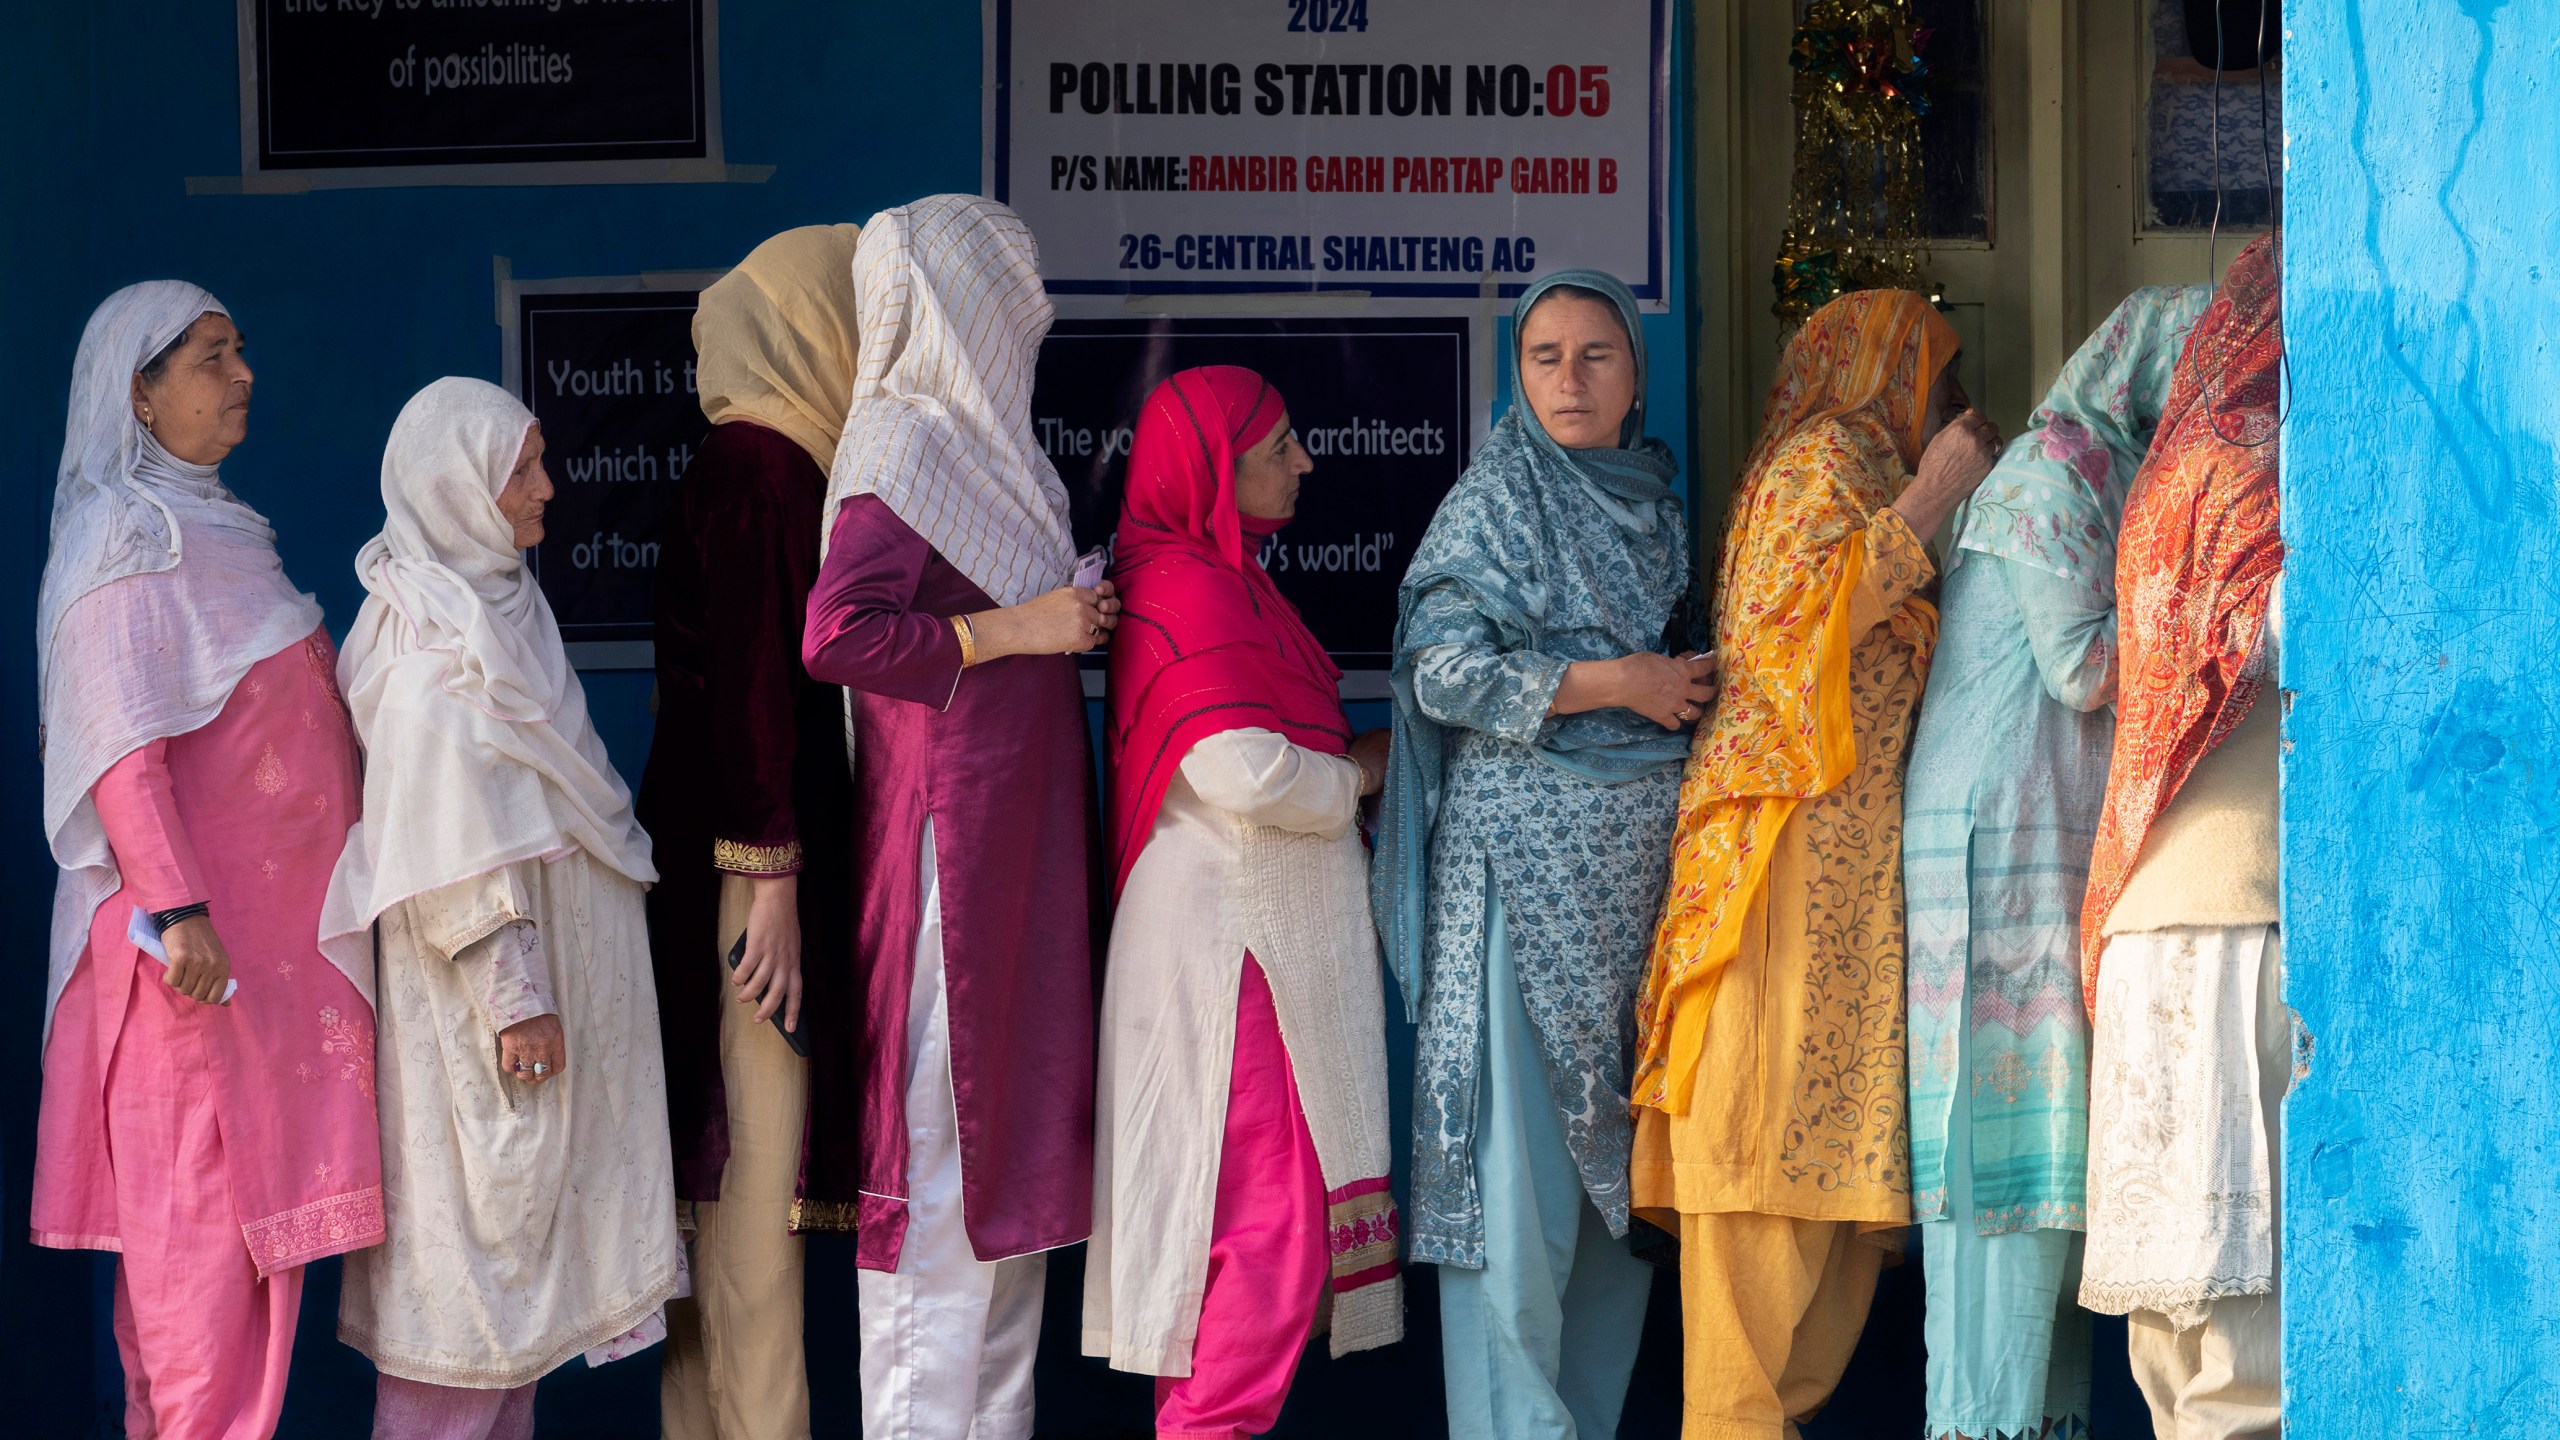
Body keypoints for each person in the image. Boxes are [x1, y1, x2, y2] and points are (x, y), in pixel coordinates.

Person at [1632, 288, 2000, 1440]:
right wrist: (1935, 491)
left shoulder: (1846, 467)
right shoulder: (1820, 461)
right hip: (1781, 865)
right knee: (1759, 1155)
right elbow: (1795, 638)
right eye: (1932, 376)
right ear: (1882, 370)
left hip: (1841, 883)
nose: (1945, 401)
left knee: (1825, 1203)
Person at [30, 281, 384, 1440]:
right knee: (193, 1304)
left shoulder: (221, 529)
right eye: (211, 356)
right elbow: (120, 739)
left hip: (260, 986)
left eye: (242, 350)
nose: (242, 378)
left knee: (236, 1291)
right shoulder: (126, 537)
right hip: (193, 981)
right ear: (139, 390)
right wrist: (180, 913)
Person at [1373, 268, 1716, 1440]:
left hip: (1631, 905)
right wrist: (1620, 683)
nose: (1569, 381)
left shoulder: (1653, 499)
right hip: (1520, 891)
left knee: (1616, 1210)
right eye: (1544, 358)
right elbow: (1439, 671)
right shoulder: (1497, 496)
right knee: (1514, 1203)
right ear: (1515, 376)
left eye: (1595, 356)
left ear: (1636, 376)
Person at [799, 192, 1109, 1440]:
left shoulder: (997, 457)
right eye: (1007, 299)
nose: (1025, 325)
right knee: (946, 1164)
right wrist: (1023, 628)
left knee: (1008, 1185)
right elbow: (838, 634)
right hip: (951, 855)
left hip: (1014, 845)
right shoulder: (903, 443)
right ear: (959, 307)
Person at [323, 377, 681, 1438]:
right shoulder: (429, 648)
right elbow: (444, 844)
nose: (547, 490)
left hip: (533, 1024)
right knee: (465, 1316)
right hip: (488, 1026)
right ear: (456, 489)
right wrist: (514, 998)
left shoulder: (498, 613)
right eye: (519, 470)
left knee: (511, 1322)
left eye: (536, 463)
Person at [1901, 284, 2213, 1440]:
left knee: (2052, 1164)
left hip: (2043, 841)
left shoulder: (2114, 481)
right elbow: (2083, 669)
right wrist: (2221, 611)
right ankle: (1978, 1419)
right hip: (1998, 852)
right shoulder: (2048, 474)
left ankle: (2037, 1418)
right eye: (2197, 384)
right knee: (1999, 1169)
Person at [1085, 366, 1404, 1437]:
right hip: (1235, 955)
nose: (1303, 463)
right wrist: (1358, 776)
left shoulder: (1228, 578)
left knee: (1258, 1239)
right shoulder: (1188, 586)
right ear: (1213, 470)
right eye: (1277, 447)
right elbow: (1238, 768)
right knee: (1263, 1237)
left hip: (1253, 945)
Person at [638, 222, 864, 1440]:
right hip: (747, 876)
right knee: (751, 1181)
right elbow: (757, 689)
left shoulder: (786, 462)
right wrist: (770, 876)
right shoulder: (764, 467)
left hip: (737, 859)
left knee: (726, 1179)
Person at [2076, 234, 2287, 1440]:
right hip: (2242, 913)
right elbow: (2307, 638)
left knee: (2178, 1340)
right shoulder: (2261, 461)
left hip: (2148, 915)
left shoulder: (2171, 470)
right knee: (2249, 1340)